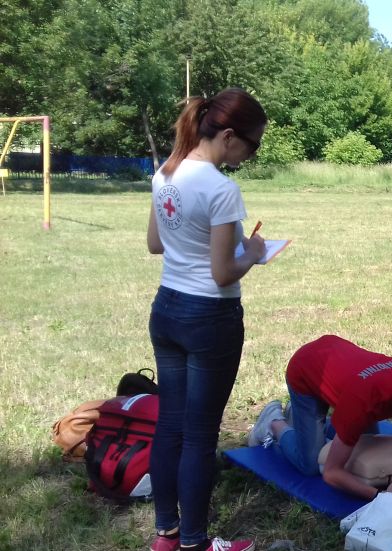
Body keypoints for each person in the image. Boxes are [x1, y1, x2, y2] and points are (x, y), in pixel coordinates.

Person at [147, 88, 267, 551]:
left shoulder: (166, 172)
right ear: (230, 136)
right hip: (209, 317)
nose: (252, 155)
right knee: (199, 436)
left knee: (170, 426)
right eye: (253, 145)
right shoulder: (221, 188)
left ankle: (167, 534)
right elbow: (222, 273)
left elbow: (156, 243)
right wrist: (253, 252)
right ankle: (195, 542)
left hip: (167, 309)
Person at [248, 335, 392, 500]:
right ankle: (274, 421)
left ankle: (302, 420)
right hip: (305, 369)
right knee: (311, 465)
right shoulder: (363, 403)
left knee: (366, 445)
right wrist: (381, 496)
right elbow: (331, 473)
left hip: (336, 358)